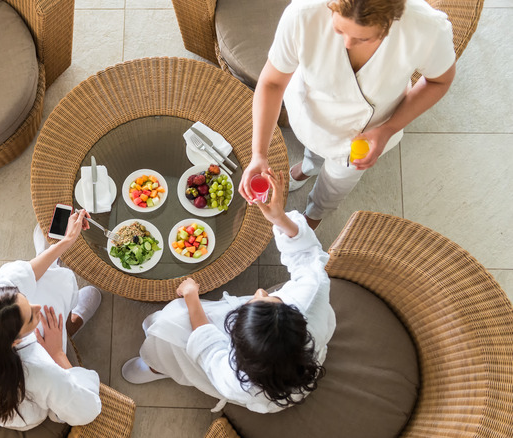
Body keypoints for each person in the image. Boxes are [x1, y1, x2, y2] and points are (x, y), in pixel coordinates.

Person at [122, 170, 336, 413]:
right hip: (285, 360)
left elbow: (207, 344)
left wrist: (191, 296)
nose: (260, 291)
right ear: (298, 318)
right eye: (271, 299)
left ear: (236, 345)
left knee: (170, 322)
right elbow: (308, 255)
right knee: (172, 321)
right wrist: (279, 218)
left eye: (257, 300)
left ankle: (155, 365)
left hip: (248, 377)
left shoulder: (235, 379)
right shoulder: (312, 297)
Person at [238, 0, 456, 229]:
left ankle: (315, 212)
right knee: (313, 149)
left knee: (336, 182)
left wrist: (388, 129)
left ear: (391, 22)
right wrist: (259, 154)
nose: (348, 44)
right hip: (313, 114)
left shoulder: (426, 29)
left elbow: (439, 81)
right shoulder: (302, 14)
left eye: (364, 38)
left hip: (369, 132)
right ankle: (309, 167)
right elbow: (272, 83)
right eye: (339, 29)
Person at [0, 209, 103, 430]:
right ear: (15, 342)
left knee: (33, 284)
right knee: (54, 302)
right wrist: (56, 353)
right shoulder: (38, 369)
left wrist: (66, 241)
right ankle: (72, 319)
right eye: (30, 318)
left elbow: (12, 281)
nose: (37, 308)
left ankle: (50, 260)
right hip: (27, 412)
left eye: (26, 301)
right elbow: (87, 410)